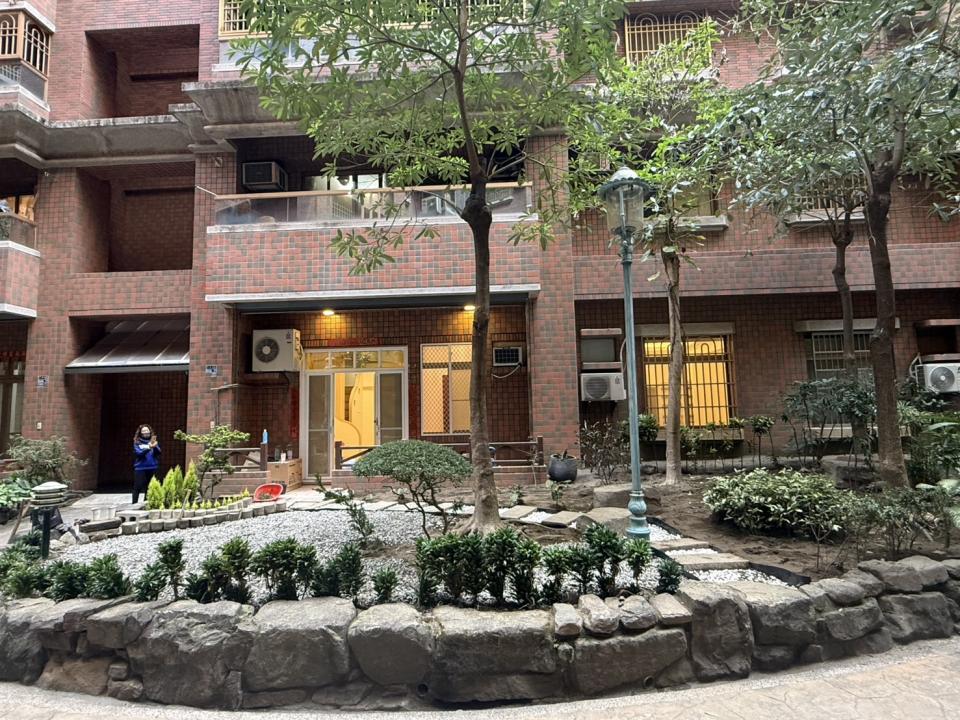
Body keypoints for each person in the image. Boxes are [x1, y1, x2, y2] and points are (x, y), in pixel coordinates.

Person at [132, 424, 161, 504]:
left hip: (152, 467)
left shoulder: (153, 442)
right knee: (137, 487)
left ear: (150, 431)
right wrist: (149, 447)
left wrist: (155, 446)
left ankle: (146, 504)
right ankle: (134, 504)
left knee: (149, 487)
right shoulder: (137, 442)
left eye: (147, 430)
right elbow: (139, 454)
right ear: (140, 433)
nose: (146, 432)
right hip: (140, 468)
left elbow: (158, 453)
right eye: (144, 431)